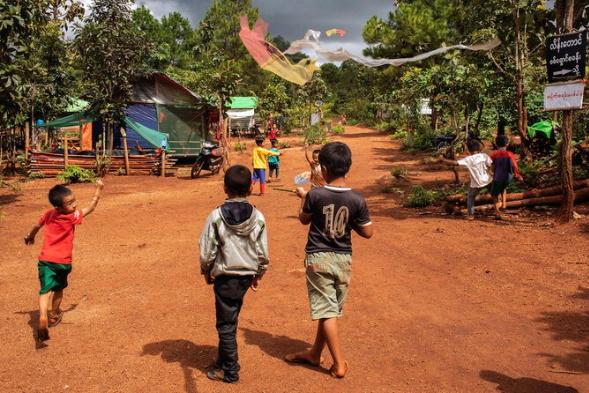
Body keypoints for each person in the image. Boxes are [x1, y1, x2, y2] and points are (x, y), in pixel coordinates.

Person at [286, 142, 373, 379]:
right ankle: (315, 353)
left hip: (318, 257)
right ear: (348, 167)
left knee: (326, 311)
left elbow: (304, 219)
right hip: (343, 260)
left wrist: (302, 198)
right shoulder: (357, 199)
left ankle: (339, 363)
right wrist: (349, 220)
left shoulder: (315, 194)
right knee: (330, 309)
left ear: (323, 169)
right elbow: (367, 232)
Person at [199, 165, 269, 383]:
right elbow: (262, 251)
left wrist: (206, 270)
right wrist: (259, 274)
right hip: (245, 277)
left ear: (224, 188)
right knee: (231, 317)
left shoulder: (216, 216)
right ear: (250, 188)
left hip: (226, 276)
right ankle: (222, 359)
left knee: (226, 324)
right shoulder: (258, 217)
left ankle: (230, 371)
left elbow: (207, 249)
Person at [24, 180, 105, 343]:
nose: (75, 205)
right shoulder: (71, 217)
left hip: (45, 260)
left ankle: (42, 317)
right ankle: (53, 316)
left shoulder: (48, 214)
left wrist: (30, 237)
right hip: (63, 262)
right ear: (59, 208)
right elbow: (91, 208)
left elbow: (36, 225)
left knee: (45, 290)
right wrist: (98, 189)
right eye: (70, 203)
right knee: (59, 289)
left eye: (74, 200)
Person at [439, 140, 492, 219]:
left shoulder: (469, 159)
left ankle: (471, 215)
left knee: (471, 197)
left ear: (469, 150)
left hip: (477, 182)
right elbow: (491, 165)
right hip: (487, 180)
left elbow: (455, 163)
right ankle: (499, 209)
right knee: (494, 194)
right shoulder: (484, 156)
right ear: (478, 148)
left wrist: (443, 159)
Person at [490, 135, 523, 219]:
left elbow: (491, 166)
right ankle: (504, 205)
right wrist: (518, 176)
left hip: (497, 177)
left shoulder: (494, 154)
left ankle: (497, 212)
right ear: (507, 144)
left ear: (496, 144)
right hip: (507, 178)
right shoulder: (510, 154)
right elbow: (514, 166)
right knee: (503, 188)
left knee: (494, 194)